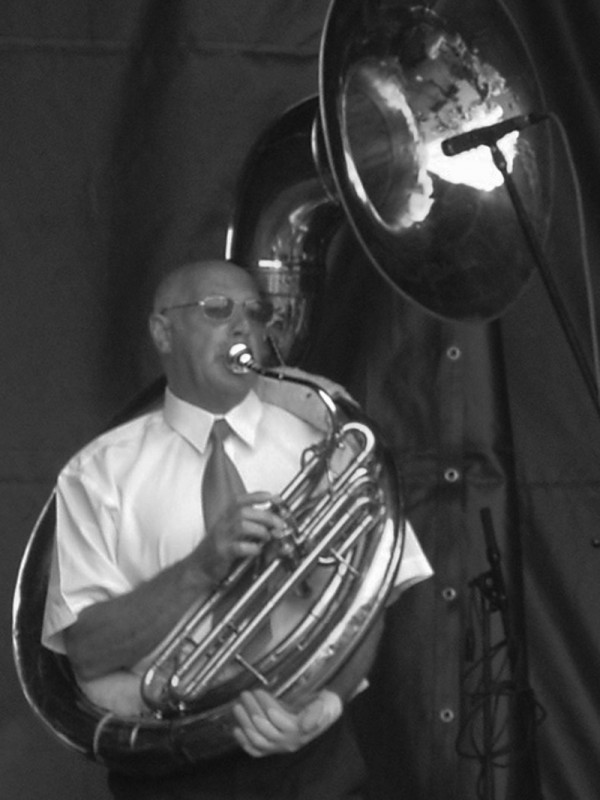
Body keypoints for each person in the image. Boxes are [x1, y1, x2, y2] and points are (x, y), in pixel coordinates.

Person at [42, 259, 432, 799]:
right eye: (216, 310)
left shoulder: (332, 442)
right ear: (162, 332)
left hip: (314, 763)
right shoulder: (98, 473)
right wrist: (204, 566)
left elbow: (371, 597)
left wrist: (326, 704)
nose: (244, 327)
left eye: (256, 312)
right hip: (169, 769)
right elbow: (87, 650)